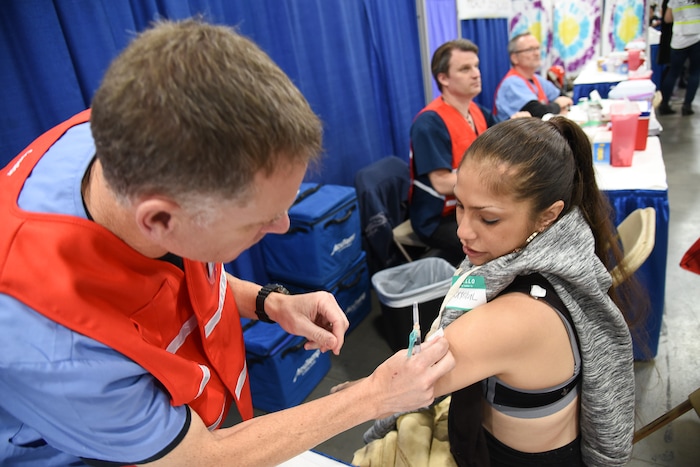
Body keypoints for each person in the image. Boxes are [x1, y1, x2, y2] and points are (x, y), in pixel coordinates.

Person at [0, 18, 455, 466]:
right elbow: (197, 459)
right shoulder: (56, 347)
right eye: (258, 221)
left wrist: (269, 303)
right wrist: (375, 397)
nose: (281, 228)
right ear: (159, 218)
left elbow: (173, 276)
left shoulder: (122, 136)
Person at [356, 117, 642, 466]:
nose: (463, 232)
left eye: (487, 219)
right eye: (460, 205)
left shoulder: (515, 319)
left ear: (548, 216)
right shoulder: (565, 248)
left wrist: (360, 393)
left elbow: (397, 391)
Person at [409, 39, 525, 267]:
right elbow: (442, 183)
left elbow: (504, 142)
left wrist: (519, 127)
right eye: (465, 69)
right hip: (440, 218)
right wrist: (496, 177)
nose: (476, 74)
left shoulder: (476, 111)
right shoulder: (429, 123)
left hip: (475, 206)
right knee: (502, 243)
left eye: (476, 66)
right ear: (443, 78)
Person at [493, 32, 574, 121]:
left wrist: (556, 105)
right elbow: (537, 113)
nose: (536, 53)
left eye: (537, 48)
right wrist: (558, 105)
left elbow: (564, 97)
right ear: (514, 58)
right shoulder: (512, 83)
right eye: (530, 49)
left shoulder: (536, 79)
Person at [658, 0, 700, 115]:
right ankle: (687, 106)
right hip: (697, 37)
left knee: (673, 73)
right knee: (695, 72)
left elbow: (667, 19)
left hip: (679, 39)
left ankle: (664, 104)